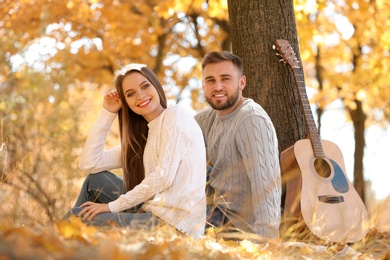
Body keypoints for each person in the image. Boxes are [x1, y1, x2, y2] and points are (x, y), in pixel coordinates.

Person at [64, 63, 207, 239]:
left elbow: (163, 177)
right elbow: (89, 163)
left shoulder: (175, 115)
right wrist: (107, 113)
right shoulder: (143, 137)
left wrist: (110, 207)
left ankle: (48, 249)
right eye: (130, 94)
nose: (140, 96)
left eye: (145, 86)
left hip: (174, 227)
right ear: (126, 103)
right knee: (95, 181)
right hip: (151, 212)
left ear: (156, 85)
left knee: (74, 217)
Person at [194, 51, 281, 239]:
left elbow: (266, 187)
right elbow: (167, 139)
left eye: (225, 79)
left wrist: (266, 245)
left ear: (242, 82)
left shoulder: (251, 119)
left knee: (138, 223)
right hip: (211, 212)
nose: (217, 86)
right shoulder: (206, 119)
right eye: (210, 80)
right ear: (203, 85)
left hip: (235, 226)